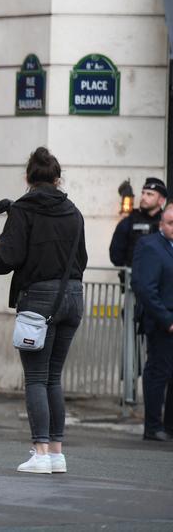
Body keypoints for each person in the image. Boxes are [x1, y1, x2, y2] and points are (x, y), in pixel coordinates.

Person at [0, 147, 87, 475]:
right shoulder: (74, 212)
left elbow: (8, 258)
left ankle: (40, 452)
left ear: (27, 178)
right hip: (73, 296)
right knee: (53, 377)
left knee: (35, 377)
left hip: (39, 298)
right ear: (57, 178)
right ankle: (58, 453)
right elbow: (83, 259)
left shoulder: (22, 210)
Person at [131, 203, 173, 442]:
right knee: (158, 372)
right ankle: (153, 426)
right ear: (161, 224)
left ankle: (170, 425)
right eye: (170, 223)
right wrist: (167, 320)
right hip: (160, 320)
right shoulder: (149, 246)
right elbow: (145, 288)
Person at [109, 178, 166, 272]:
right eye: (143, 193)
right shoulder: (129, 221)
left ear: (161, 200)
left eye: (149, 194)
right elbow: (116, 256)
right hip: (133, 281)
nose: (143, 197)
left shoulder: (167, 222)